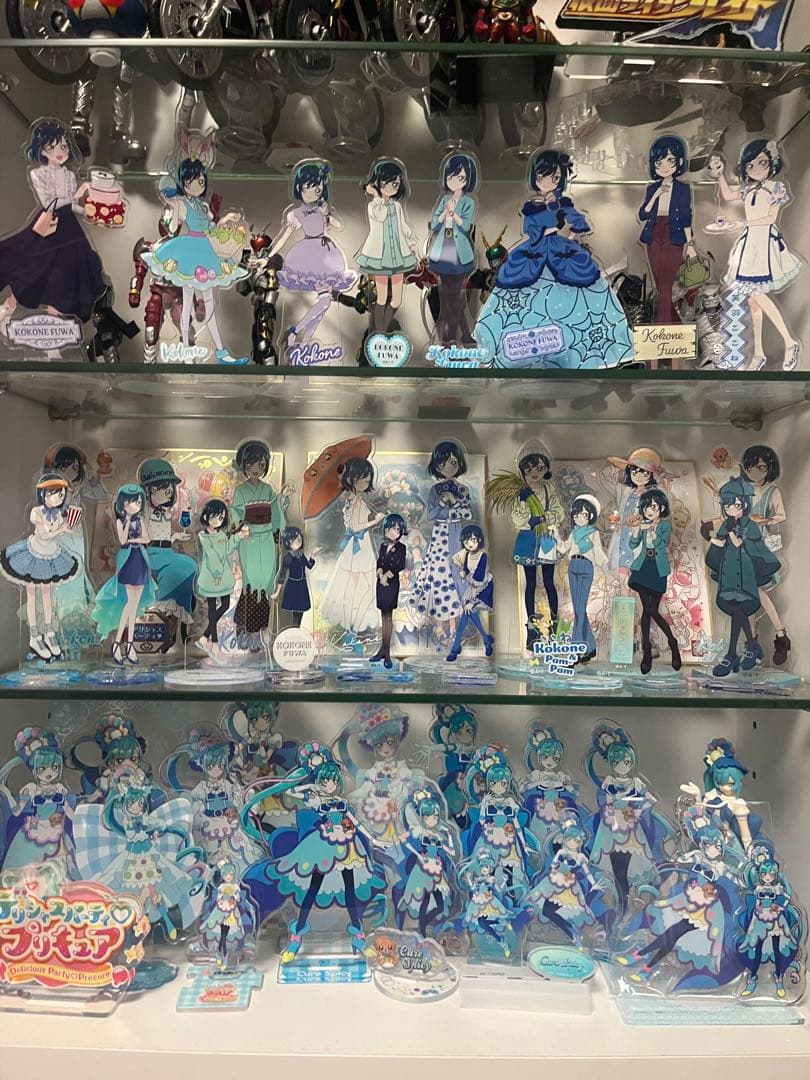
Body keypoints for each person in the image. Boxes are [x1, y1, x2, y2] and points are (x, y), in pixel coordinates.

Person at [638, 135, 697, 323]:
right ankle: (674, 326)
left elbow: (686, 217)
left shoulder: (683, 189)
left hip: (675, 234)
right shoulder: (652, 189)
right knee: (659, 283)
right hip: (654, 233)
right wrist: (656, 195)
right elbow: (643, 214)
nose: (664, 166)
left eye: (670, 160)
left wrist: (691, 244)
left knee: (666, 283)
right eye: (659, 162)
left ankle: (662, 326)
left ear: (679, 162)